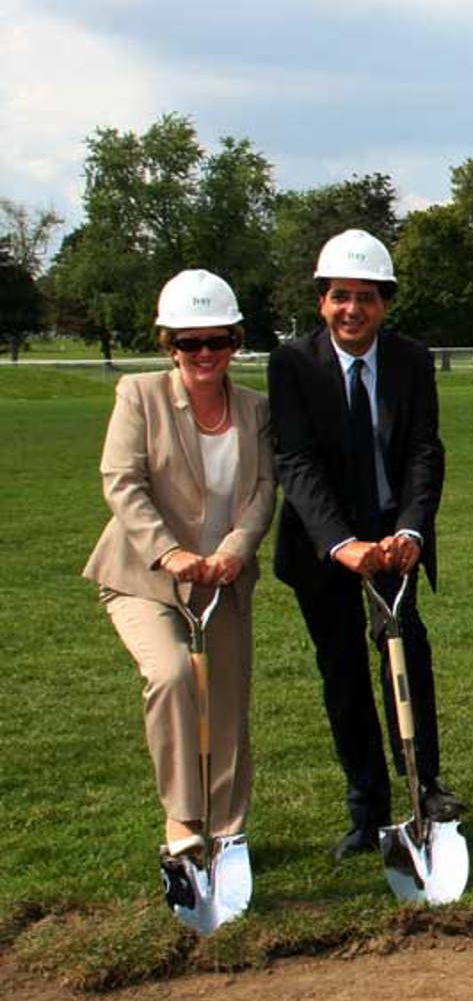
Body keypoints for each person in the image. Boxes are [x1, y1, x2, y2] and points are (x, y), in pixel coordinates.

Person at [269, 229, 461, 859]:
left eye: (367, 298)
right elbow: (295, 462)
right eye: (340, 297)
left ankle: (425, 785)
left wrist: (409, 528)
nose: (353, 310)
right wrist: (341, 544)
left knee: (408, 659)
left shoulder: (409, 359)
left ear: (385, 303)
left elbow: (424, 452)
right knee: (344, 673)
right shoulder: (293, 363)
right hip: (324, 546)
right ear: (322, 301)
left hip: (393, 539)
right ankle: (367, 809)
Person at [85, 270, 276, 865]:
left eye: (216, 341)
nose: (204, 354)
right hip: (144, 576)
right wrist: (170, 552)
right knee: (170, 676)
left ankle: (226, 831)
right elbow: (123, 480)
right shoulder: (139, 396)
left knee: (224, 702)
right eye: (189, 343)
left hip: (220, 579)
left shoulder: (254, 409)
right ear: (169, 344)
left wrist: (235, 551)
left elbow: (264, 489)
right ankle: (183, 819)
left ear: (235, 342)